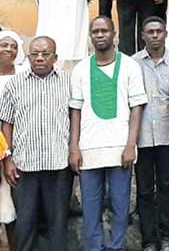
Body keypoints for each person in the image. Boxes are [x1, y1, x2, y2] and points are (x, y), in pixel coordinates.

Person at [69, 16, 147, 251]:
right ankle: (94, 248)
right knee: (90, 207)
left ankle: (116, 247)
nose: (100, 35)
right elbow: (75, 111)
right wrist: (74, 147)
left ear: (115, 35)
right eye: (95, 31)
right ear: (90, 36)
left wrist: (131, 144)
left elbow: (137, 108)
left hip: (120, 149)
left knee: (120, 205)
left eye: (104, 30)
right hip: (88, 150)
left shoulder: (130, 66)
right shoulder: (81, 69)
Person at [0, 35, 71, 251]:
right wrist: (8, 159)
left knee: (57, 224)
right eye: (35, 54)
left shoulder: (68, 82)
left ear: (55, 57)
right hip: (23, 166)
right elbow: (6, 123)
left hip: (58, 164)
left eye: (45, 54)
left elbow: (75, 118)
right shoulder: (14, 84)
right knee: (25, 224)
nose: (39, 58)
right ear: (28, 57)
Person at [132, 17, 169, 251]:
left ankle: (166, 237)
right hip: (141, 137)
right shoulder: (132, 63)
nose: (154, 35)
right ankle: (149, 240)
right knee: (144, 190)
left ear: (165, 34)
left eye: (158, 31)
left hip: (168, 135)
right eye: (150, 32)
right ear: (143, 36)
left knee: (167, 185)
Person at [0, 31, 25, 248]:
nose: (9, 49)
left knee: (13, 203)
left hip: (18, 149)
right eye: (4, 45)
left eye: (13, 46)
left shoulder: (23, 76)